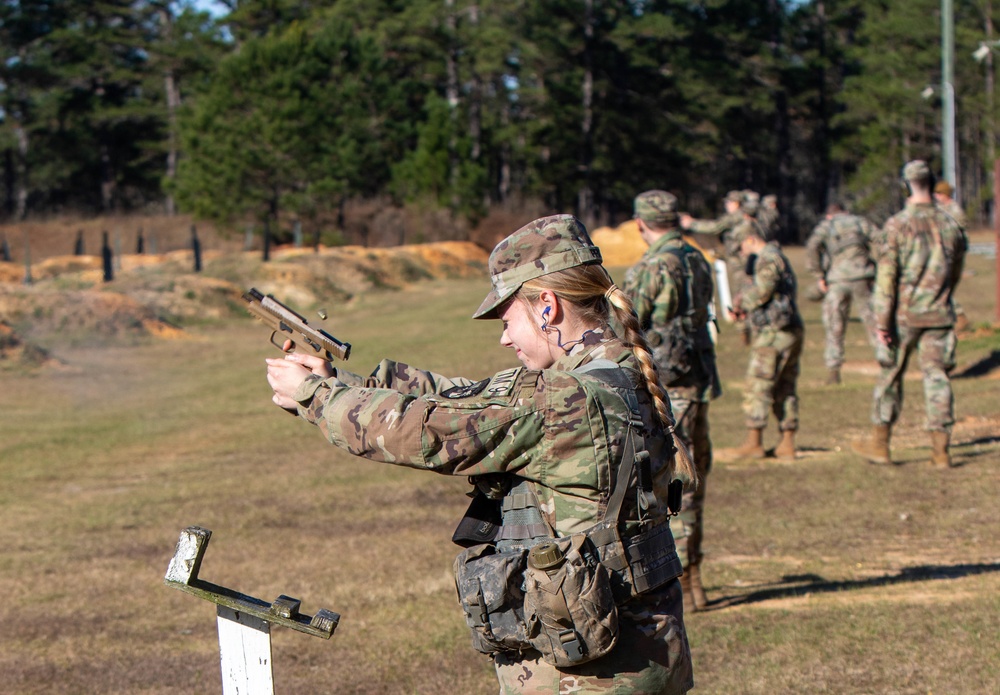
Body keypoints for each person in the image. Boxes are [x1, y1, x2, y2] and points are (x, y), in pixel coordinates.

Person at [266, 214, 695, 694]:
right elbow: (470, 399)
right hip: (647, 648)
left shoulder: (560, 399)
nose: (504, 337)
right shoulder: (621, 371)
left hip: (593, 675)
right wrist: (339, 380)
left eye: (508, 319)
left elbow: (422, 431)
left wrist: (314, 396)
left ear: (547, 307)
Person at [624, 190, 721, 614]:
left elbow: (627, 325)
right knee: (696, 471)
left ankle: (682, 576)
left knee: (673, 478)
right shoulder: (698, 259)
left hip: (664, 386)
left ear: (642, 224)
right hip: (698, 378)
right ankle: (693, 574)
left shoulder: (648, 267)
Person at [852, 161, 967, 468]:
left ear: (906, 186)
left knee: (890, 376)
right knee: (937, 378)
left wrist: (882, 321)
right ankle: (940, 451)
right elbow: (955, 272)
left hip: (904, 316)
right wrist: (944, 297)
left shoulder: (897, 225)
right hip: (939, 314)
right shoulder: (950, 224)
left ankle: (880, 444)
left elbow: (886, 279)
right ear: (932, 183)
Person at [728, 225, 804, 460]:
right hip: (786, 331)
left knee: (758, 384)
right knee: (784, 386)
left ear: (750, 239)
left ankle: (755, 441)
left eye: (741, 245)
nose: (741, 251)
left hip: (775, 334)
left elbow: (763, 291)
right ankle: (786, 442)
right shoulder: (775, 256)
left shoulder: (768, 258)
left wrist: (740, 306)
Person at [805, 202, 881, 385]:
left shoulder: (826, 226)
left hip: (837, 279)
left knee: (834, 325)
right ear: (845, 211)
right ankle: (885, 360)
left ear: (829, 215)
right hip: (863, 275)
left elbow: (812, 245)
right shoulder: (859, 222)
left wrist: (818, 274)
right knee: (874, 321)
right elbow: (880, 238)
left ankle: (833, 370)